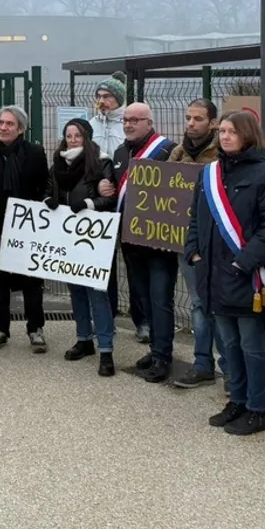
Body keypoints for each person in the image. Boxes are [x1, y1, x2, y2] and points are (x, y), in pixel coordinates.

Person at [185, 110, 265, 436]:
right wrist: (193, 251)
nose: (225, 136)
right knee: (229, 345)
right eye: (223, 131)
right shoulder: (209, 174)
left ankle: (258, 410)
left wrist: (244, 261)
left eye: (232, 132)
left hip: (247, 277)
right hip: (213, 274)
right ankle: (237, 401)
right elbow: (195, 218)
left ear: (248, 135)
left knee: (252, 347)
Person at [109, 102, 179, 383]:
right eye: (126, 120)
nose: (128, 124)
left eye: (135, 120)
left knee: (160, 299)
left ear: (149, 123)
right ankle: (155, 349)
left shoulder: (167, 150)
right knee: (143, 298)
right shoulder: (120, 153)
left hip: (159, 244)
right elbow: (116, 190)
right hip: (131, 242)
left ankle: (164, 356)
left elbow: (179, 194)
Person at [0, 105, 50, 353]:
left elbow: (44, 187)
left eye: (9, 124)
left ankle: (35, 329)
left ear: (20, 129)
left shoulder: (35, 153)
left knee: (32, 281)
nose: (3, 128)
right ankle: (0, 329)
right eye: (1, 123)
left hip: (29, 227)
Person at [48, 118, 117, 376]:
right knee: (75, 291)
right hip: (67, 236)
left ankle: (106, 349)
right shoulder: (57, 164)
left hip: (93, 238)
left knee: (97, 293)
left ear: (86, 137)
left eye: (77, 136)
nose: (72, 140)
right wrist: (48, 199)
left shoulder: (101, 162)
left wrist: (88, 204)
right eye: (69, 136)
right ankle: (84, 339)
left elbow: (110, 198)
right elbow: (49, 189)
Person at [168, 99, 229, 392]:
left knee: (222, 306)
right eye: (188, 118)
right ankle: (203, 364)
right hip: (188, 242)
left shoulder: (222, 154)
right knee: (198, 304)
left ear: (213, 123)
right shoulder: (177, 153)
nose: (191, 123)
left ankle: (231, 370)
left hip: (219, 244)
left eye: (198, 119)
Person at [89, 71, 128, 327]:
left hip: (126, 199)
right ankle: (107, 314)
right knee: (104, 261)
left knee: (133, 261)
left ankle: (141, 318)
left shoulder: (127, 124)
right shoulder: (91, 126)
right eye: (99, 96)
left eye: (108, 96)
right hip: (100, 201)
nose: (103, 101)